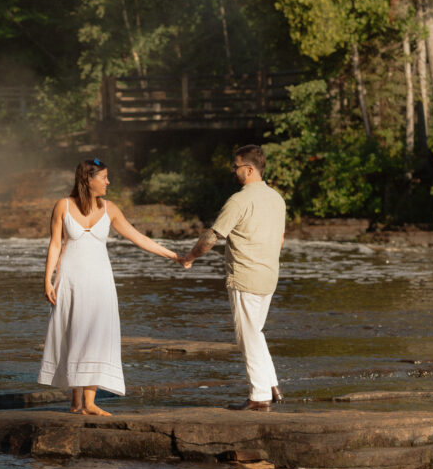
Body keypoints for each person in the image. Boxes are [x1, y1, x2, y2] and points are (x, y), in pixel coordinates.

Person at [38, 158, 181, 416]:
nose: (108, 182)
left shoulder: (110, 209)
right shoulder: (63, 206)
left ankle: (89, 402)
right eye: (103, 177)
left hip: (100, 281)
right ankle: (76, 401)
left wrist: (173, 255)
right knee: (73, 332)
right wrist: (47, 279)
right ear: (87, 179)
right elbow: (55, 244)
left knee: (96, 334)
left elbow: (138, 238)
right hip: (70, 279)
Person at [180, 144, 286, 411]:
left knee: (247, 336)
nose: (233, 170)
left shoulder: (239, 200)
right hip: (269, 274)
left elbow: (211, 238)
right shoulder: (277, 199)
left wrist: (190, 257)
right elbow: (281, 238)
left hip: (246, 276)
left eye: (236, 166)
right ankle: (271, 384)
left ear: (249, 169)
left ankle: (259, 397)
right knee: (254, 332)